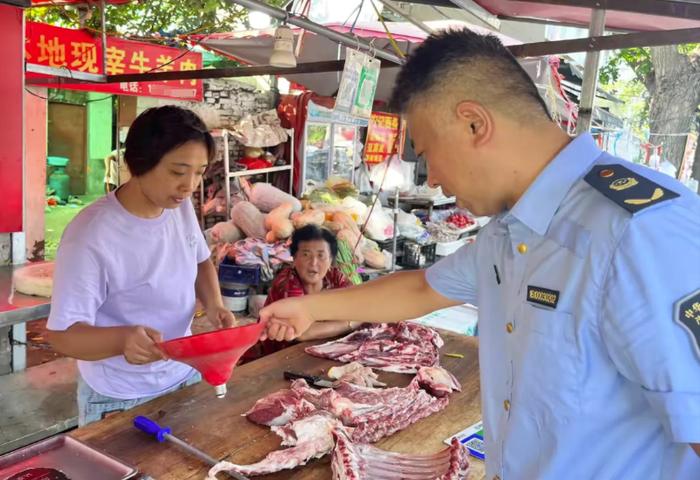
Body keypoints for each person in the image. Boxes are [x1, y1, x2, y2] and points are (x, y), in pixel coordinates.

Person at [260, 29, 700, 479]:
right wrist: (307, 306)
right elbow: (421, 286)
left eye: (428, 153)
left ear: (475, 123)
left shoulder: (640, 230)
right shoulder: (512, 228)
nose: (430, 178)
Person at [47, 106, 236, 426]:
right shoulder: (91, 235)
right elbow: (63, 336)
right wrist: (122, 340)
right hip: (118, 395)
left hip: (183, 374)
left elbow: (201, 260)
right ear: (140, 163)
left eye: (199, 171)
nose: (190, 185)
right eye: (178, 171)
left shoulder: (178, 208)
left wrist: (215, 304)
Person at [245, 225, 358, 361]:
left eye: (321, 256)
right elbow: (302, 333)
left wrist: (353, 318)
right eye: (306, 254)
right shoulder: (287, 282)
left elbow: (357, 306)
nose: (313, 263)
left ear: (330, 260)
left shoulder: (335, 277)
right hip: (276, 359)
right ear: (294, 258)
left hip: (318, 352)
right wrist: (349, 323)